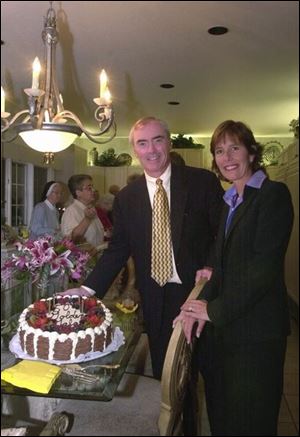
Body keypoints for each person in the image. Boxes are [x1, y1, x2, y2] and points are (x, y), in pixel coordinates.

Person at [60, 117, 224, 379]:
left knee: (209, 372)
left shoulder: (201, 182)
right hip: (156, 296)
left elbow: (223, 234)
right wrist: (88, 288)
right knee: (167, 375)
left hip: (198, 292)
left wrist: (210, 266)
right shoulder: (127, 197)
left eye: (158, 140)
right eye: (143, 143)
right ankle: (173, 420)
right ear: (135, 150)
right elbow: (118, 249)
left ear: (168, 143)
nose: (152, 150)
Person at [174, 120, 294, 436]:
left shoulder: (273, 194)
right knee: (224, 416)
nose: (227, 157)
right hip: (226, 332)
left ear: (252, 152)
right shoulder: (230, 201)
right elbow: (221, 256)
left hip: (257, 333)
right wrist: (209, 274)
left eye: (234, 148)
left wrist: (211, 310)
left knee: (252, 421)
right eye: (219, 151)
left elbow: (263, 269)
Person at [61, 175, 105, 249]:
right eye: (89, 188)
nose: (93, 190)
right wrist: (87, 219)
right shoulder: (71, 211)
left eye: (92, 187)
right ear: (78, 193)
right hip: (84, 258)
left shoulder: (90, 208)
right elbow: (71, 240)